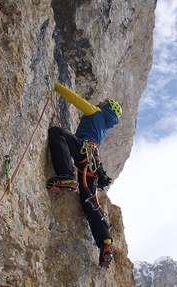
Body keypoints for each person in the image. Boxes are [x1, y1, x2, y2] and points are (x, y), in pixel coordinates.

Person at [47, 82, 122, 268]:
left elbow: (75, 99)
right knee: (90, 203)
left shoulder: (96, 113)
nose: (99, 102)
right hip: (92, 162)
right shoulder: (105, 126)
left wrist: (55, 85)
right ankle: (105, 243)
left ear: (105, 106)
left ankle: (66, 175)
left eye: (102, 102)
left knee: (58, 133)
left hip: (83, 152)